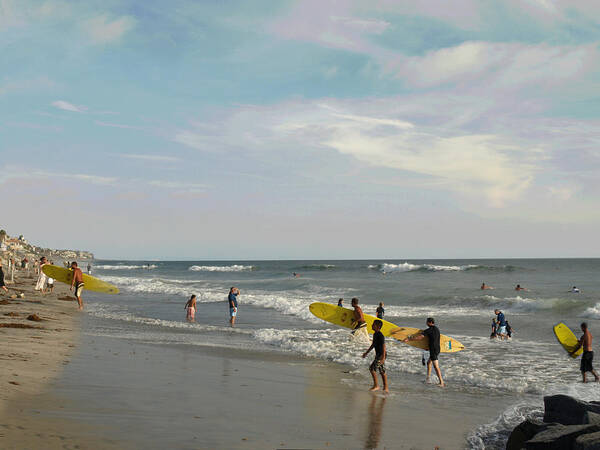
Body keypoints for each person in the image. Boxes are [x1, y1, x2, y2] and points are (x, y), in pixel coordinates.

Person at [403, 317, 445, 387]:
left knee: (436, 366)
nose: (426, 323)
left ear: (430, 322)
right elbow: (434, 339)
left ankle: (441, 382)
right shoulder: (437, 329)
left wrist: (410, 339)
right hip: (437, 349)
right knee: (429, 363)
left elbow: (420, 337)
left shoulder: (428, 330)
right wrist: (428, 347)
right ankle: (428, 379)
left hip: (433, 350)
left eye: (427, 322)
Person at [362, 319, 389, 393]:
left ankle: (376, 386)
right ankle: (386, 388)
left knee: (372, 369)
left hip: (381, 355)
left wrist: (383, 357)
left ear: (378, 326)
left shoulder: (380, 335)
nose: (371, 325)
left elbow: (384, 347)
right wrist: (366, 353)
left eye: (373, 324)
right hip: (379, 355)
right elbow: (373, 345)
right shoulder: (375, 334)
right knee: (382, 371)